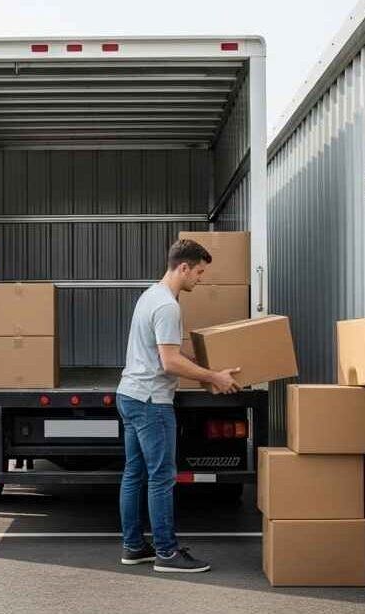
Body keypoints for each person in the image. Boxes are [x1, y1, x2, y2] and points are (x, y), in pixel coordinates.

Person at [116, 239, 242, 573]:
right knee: (161, 477)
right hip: (150, 402)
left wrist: (202, 368)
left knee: (134, 474)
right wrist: (213, 377)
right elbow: (169, 362)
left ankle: (133, 547)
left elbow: (166, 351)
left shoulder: (150, 295)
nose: (200, 279)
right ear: (183, 267)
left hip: (129, 394)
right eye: (199, 272)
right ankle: (167, 554)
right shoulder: (168, 306)